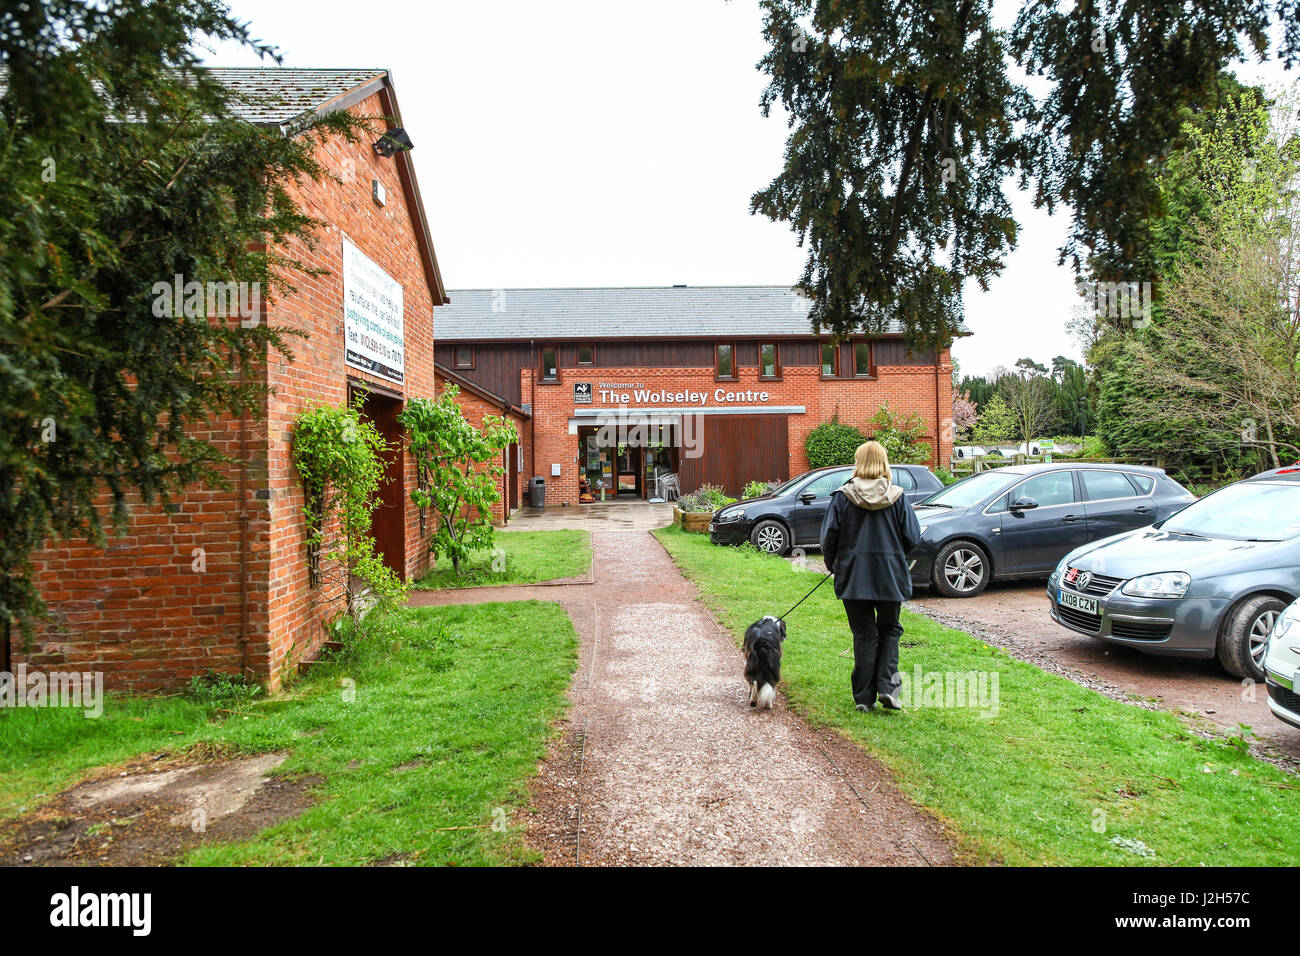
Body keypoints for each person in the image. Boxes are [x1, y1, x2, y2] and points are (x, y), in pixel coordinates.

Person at [819, 441, 921, 711]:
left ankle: (864, 698)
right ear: (885, 462)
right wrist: (896, 554)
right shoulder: (898, 497)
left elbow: (829, 538)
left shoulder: (843, 497)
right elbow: (913, 537)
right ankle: (888, 688)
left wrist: (833, 564)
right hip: (890, 575)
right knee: (889, 630)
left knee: (864, 634)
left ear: (858, 461)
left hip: (854, 577)